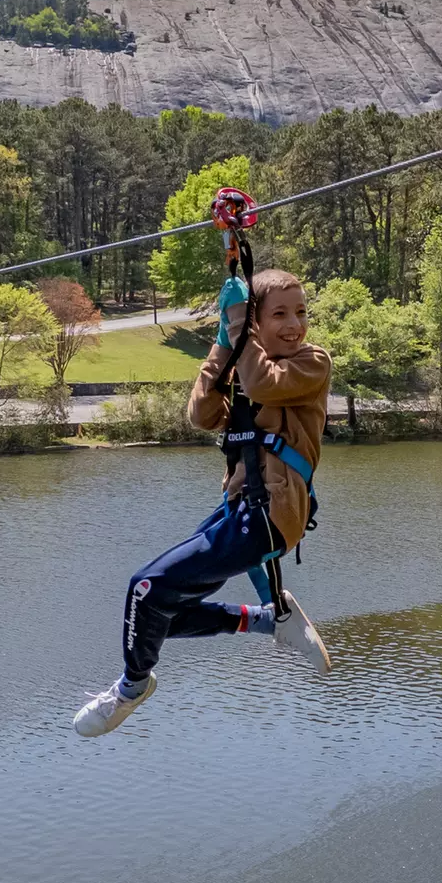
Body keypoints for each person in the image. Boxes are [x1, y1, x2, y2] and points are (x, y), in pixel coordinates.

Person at [73, 268, 334, 737]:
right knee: (157, 617)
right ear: (257, 321)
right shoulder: (244, 364)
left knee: (145, 589)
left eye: (300, 312)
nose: (295, 323)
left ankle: (132, 688)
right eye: (279, 314)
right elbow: (202, 415)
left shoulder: (311, 362)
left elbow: (264, 385)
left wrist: (239, 329)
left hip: (274, 513)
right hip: (244, 509)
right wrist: (222, 344)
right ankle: (266, 619)